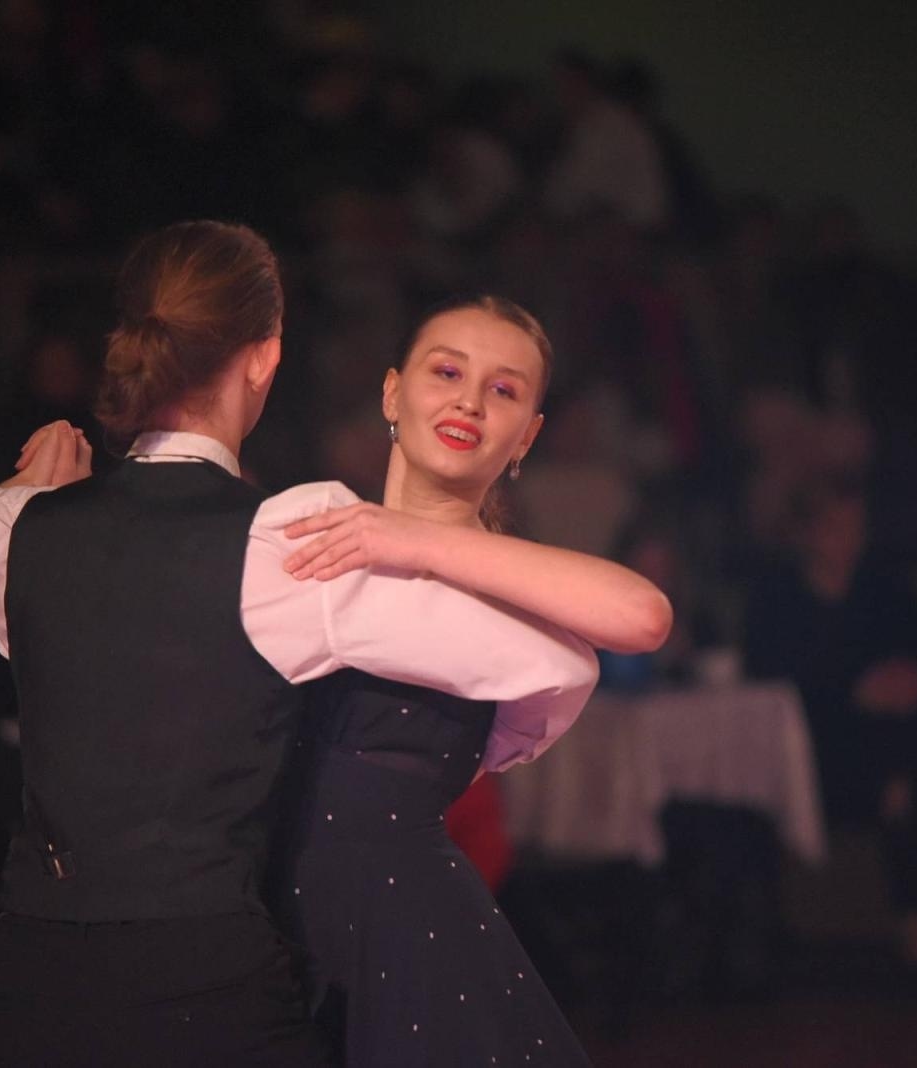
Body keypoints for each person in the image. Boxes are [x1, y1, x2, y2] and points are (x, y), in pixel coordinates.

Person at [0, 221, 629, 1067]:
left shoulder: (21, 531)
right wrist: (502, 737)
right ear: (265, 359)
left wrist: (10, 493)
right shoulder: (285, 541)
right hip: (205, 985)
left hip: (34, 983)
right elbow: (556, 658)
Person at [271, 296, 672, 1066]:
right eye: (448, 373)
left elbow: (643, 614)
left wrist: (419, 542)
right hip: (257, 926)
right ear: (393, 393)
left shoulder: (507, 602)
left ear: (528, 435)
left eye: (504, 390)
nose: (470, 401)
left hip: (403, 934)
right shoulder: (308, 526)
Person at [742, 476, 917, 973]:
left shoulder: (886, 591)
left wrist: (915, 681)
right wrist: (852, 692)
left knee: (904, 747)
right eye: (836, 527)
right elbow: (767, 686)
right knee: (893, 757)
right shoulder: (777, 598)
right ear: (808, 532)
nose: (849, 540)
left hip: (883, 750)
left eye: (857, 527)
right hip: (807, 755)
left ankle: (916, 922)